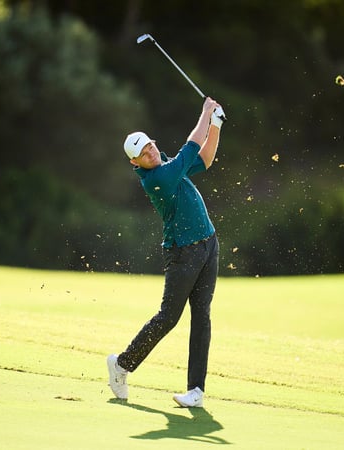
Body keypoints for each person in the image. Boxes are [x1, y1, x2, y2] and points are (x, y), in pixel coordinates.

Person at [107, 97, 224, 408]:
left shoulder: (167, 164)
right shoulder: (157, 178)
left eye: (149, 146)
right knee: (168, 318)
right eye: (143, 154)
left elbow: (206, 158)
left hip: (208, 244)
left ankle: (195, 390)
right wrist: (205, 114)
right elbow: (192, 144)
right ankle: (121, 365)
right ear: (136, 164)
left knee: (202, 316)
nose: (150, 152)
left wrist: (217, 124)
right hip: (182, 253)